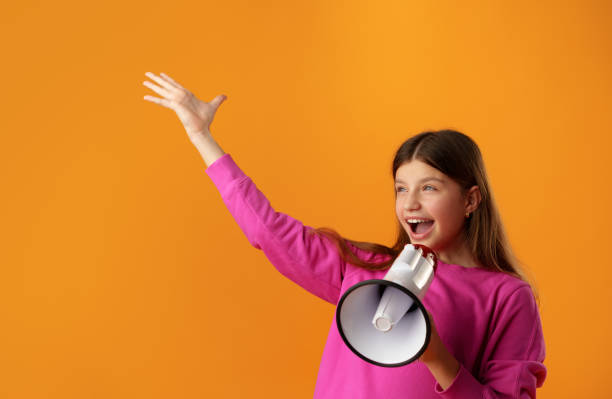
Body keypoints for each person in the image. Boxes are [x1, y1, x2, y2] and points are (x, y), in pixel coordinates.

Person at [143, 72, 547, 398]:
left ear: (471, 199)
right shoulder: (361, 270)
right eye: (401, 189)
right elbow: (267, 229)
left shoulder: (507, 297)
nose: (410, 205)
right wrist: (202, 137)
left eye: (429, 188)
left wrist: (437, 357)